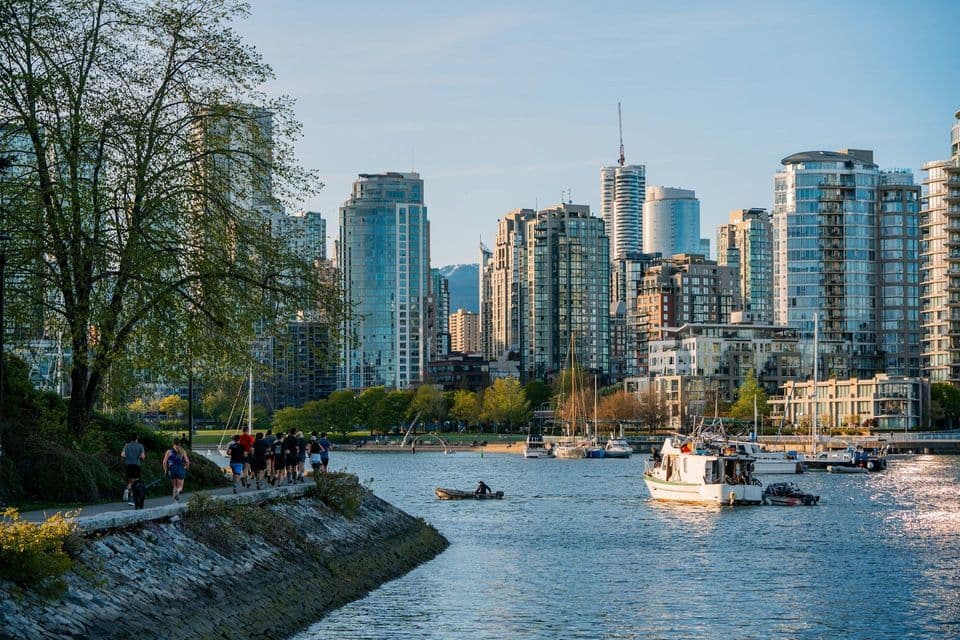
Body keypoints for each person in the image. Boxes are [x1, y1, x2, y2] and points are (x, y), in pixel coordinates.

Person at [120, 434, 146, 502]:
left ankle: (126, 490)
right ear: (137, 438)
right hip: (136, 465)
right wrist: (139, 456)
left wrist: (128, 456)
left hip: (128, 465)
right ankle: (132, 497)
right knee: (136, 482)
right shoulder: (140, 446)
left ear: (131, 438)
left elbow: (122, 455)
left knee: (130, 481)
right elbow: (143, 456)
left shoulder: (127, 445)